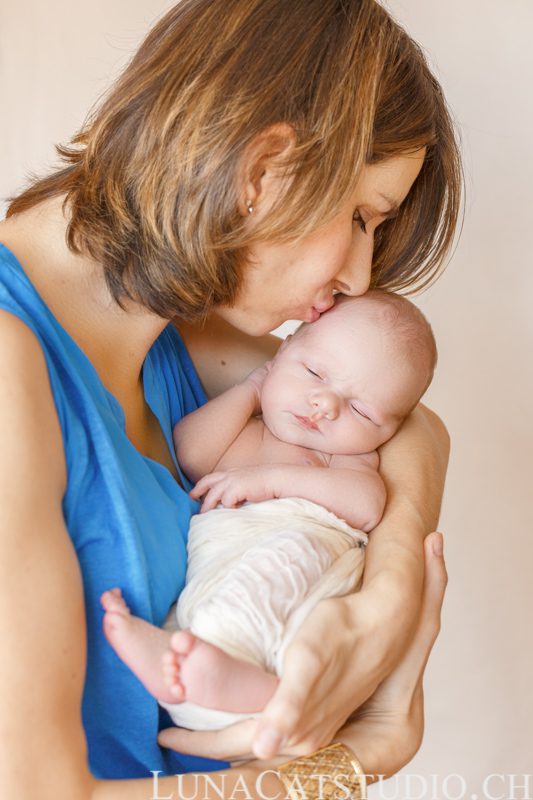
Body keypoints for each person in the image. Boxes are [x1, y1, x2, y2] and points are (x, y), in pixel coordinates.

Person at [0, 0, 460, 796]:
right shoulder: (13, 360)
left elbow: (409, 423)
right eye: (359, 216)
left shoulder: (170, 333)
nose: (358, 277)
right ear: (262, 170)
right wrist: (358, 758)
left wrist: (387, 588)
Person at [100, 290, 438, 734]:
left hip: (300, 548)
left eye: (361, 409)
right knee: (199, 613)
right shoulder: (249, 425)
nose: (325, 405)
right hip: (220, 555)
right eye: (314, 372)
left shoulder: (345, 459)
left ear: (389, 431)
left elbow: (368, 505)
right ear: (282, 350)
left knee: (271, 580)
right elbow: (193, 453)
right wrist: (249, 391)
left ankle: (249, 689)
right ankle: (203, 678)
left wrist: (273, 481)